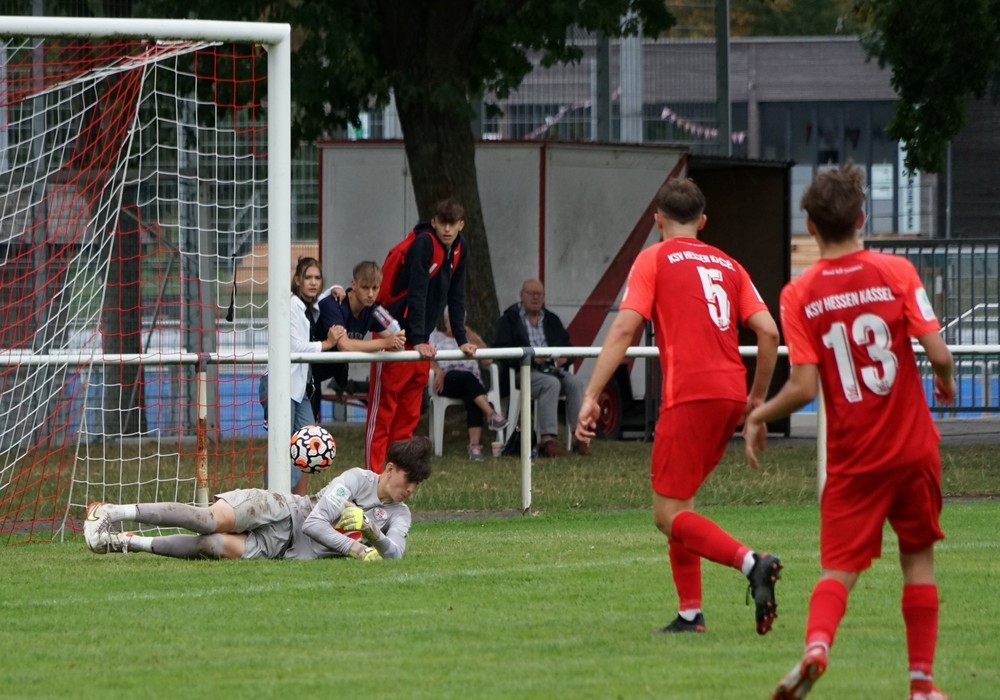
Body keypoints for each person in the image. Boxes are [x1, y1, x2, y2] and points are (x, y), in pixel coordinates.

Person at [742, 164, 956, 700]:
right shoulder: (897, 271)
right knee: (918, 559)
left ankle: (817, 646)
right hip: (912, 449)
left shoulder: (799, 293)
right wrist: (946, 380)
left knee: (838, 570)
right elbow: (938, 352)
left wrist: (758, 415)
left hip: (854, 459)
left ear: (811, 228)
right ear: (862, 219)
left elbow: (803, 388)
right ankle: (922, 685)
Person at [575, 177, 782, 636]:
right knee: (681, 506)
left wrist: (591, 395)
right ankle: (690, 615)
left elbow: (624, 329)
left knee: (666, 516)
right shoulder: (729, 264)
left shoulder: (653, 258)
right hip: (731, 392)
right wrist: (757, 401)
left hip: (690, 393)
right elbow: (769, 331)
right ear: (703, 221)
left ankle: (753, 563)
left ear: (657, 220)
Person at [83, 436, 433, 561]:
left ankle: (124, 542)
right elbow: (313, 524)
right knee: (207, 521)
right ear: (390, 469)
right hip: (281, 509)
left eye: (416, 484)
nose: (411, 490)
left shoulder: (400, 513)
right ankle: (110, 511)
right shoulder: (355, 479)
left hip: (280, 549)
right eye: (409, 480)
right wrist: (356, 548)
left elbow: (395, 554)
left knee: (209, 546)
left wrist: (372, 531)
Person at [365, 197, 477, 473]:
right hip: (395, 335)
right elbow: (417, 293)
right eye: (443, 223)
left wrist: (461, 338)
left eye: (453, 224)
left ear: (461, 225)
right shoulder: (424, 243)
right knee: (384, 412)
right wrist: (417, 340)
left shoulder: (460, 248)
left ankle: (396, 476)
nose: (447, 229)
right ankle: (371, 478)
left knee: (408, 415)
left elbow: (457, 294)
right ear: (434, 222)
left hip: (420, 341)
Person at [259, 256, 345, 496]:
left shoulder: (307, 306)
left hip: (298, 389)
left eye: (317, 278)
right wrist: (327, 344)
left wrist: (336, 288)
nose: (313, 282)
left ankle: (289, 499)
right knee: (281, 445)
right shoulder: (292, 304)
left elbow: (322, 296)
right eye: (308, 277)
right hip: (279, 384)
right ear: (297, 280)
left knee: (309, 442)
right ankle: (270, 498)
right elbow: (295, 346)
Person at [494, 279, 588, 457]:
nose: (535, 298)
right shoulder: (509, 319)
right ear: (521, 295)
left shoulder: (551, 319)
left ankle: (579, 436)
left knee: (575, 383)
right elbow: (501, 351)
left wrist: (565, 357)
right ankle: (547, 441)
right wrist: (530, 358)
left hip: (552, 369)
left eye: (539, 294)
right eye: (531, 293)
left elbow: (569, 347)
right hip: (523, 370)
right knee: (551, 384)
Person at [315, 260, 407, 390]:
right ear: (354, 284)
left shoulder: (375, 310)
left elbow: (398, 346)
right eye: (365, 287)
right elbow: (345, 345)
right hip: (302, 371)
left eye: (375, 288)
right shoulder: (334, 304)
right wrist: (386, 342)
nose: (370, 294)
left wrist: (398, 340)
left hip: (322, 376)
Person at [429, 312, 507, 460]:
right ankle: (491, 414)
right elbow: (426, 358)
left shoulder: (469, 337)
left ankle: (474, 447)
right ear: (445, 321)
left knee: (472, 393)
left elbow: (488, 360)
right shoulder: (436, 337)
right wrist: (437, 370)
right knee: (468, 379)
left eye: (459, 320)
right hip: (447, 380)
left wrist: (470, 335)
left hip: (471, 384)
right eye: (452, 320)